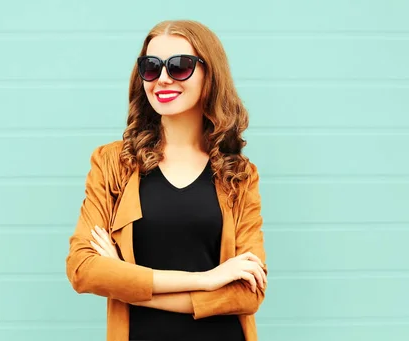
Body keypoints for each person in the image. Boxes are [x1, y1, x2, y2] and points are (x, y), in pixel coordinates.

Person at [66, 20, 268, 341]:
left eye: (180, 66)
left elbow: (248, 294)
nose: (162, 78)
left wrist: (128, 284)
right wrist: (208, 280)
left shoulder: (239, 174)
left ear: (210, 74)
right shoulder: (112, 163)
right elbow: (83, 269)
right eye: (151, 67)